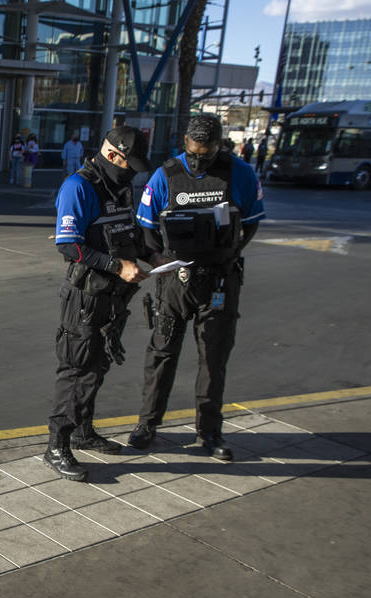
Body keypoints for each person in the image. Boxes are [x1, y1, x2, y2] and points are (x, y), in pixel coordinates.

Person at [127, 113, 265, 461]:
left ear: (219, 145)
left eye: (206, 153)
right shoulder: (166, 175)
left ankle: (210, 432)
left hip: (219, 279)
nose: (198, 159)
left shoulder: (240, 173)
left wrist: (231, 254)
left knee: (213, 359)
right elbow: (145, 228)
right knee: (161, 353)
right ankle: (147, 425)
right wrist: (158, 259)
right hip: (176, 281)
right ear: (184, 142)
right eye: (193, 151)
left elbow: (250, 224)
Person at [45, 126, 164, 481]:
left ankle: (83, 431)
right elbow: (69, 245)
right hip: (85, 296)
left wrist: (152, 254)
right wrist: (117, 266)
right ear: (112, 155)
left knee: (98, 365)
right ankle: (56, 445)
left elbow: (127, 233)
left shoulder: (121, 185)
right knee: (76, 368)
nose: (133, 172)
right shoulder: (78, 187)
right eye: (129, 164)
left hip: (114, 297)